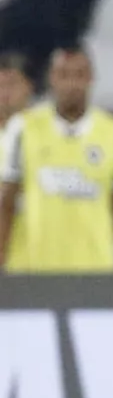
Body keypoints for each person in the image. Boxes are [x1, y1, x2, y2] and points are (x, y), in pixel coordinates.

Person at [0, 45, 113, 274]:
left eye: (79, 75)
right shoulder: (24, 129)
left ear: (91, 78)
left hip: (97, 269)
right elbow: (6, 203)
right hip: (34, 270)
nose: (71, 84)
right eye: (64, 75)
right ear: (51, 79)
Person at [0, 53, 34, 271]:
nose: (4, 93)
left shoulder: (47, 138)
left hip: (34, 262)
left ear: (28, 87)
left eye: (11, 84)